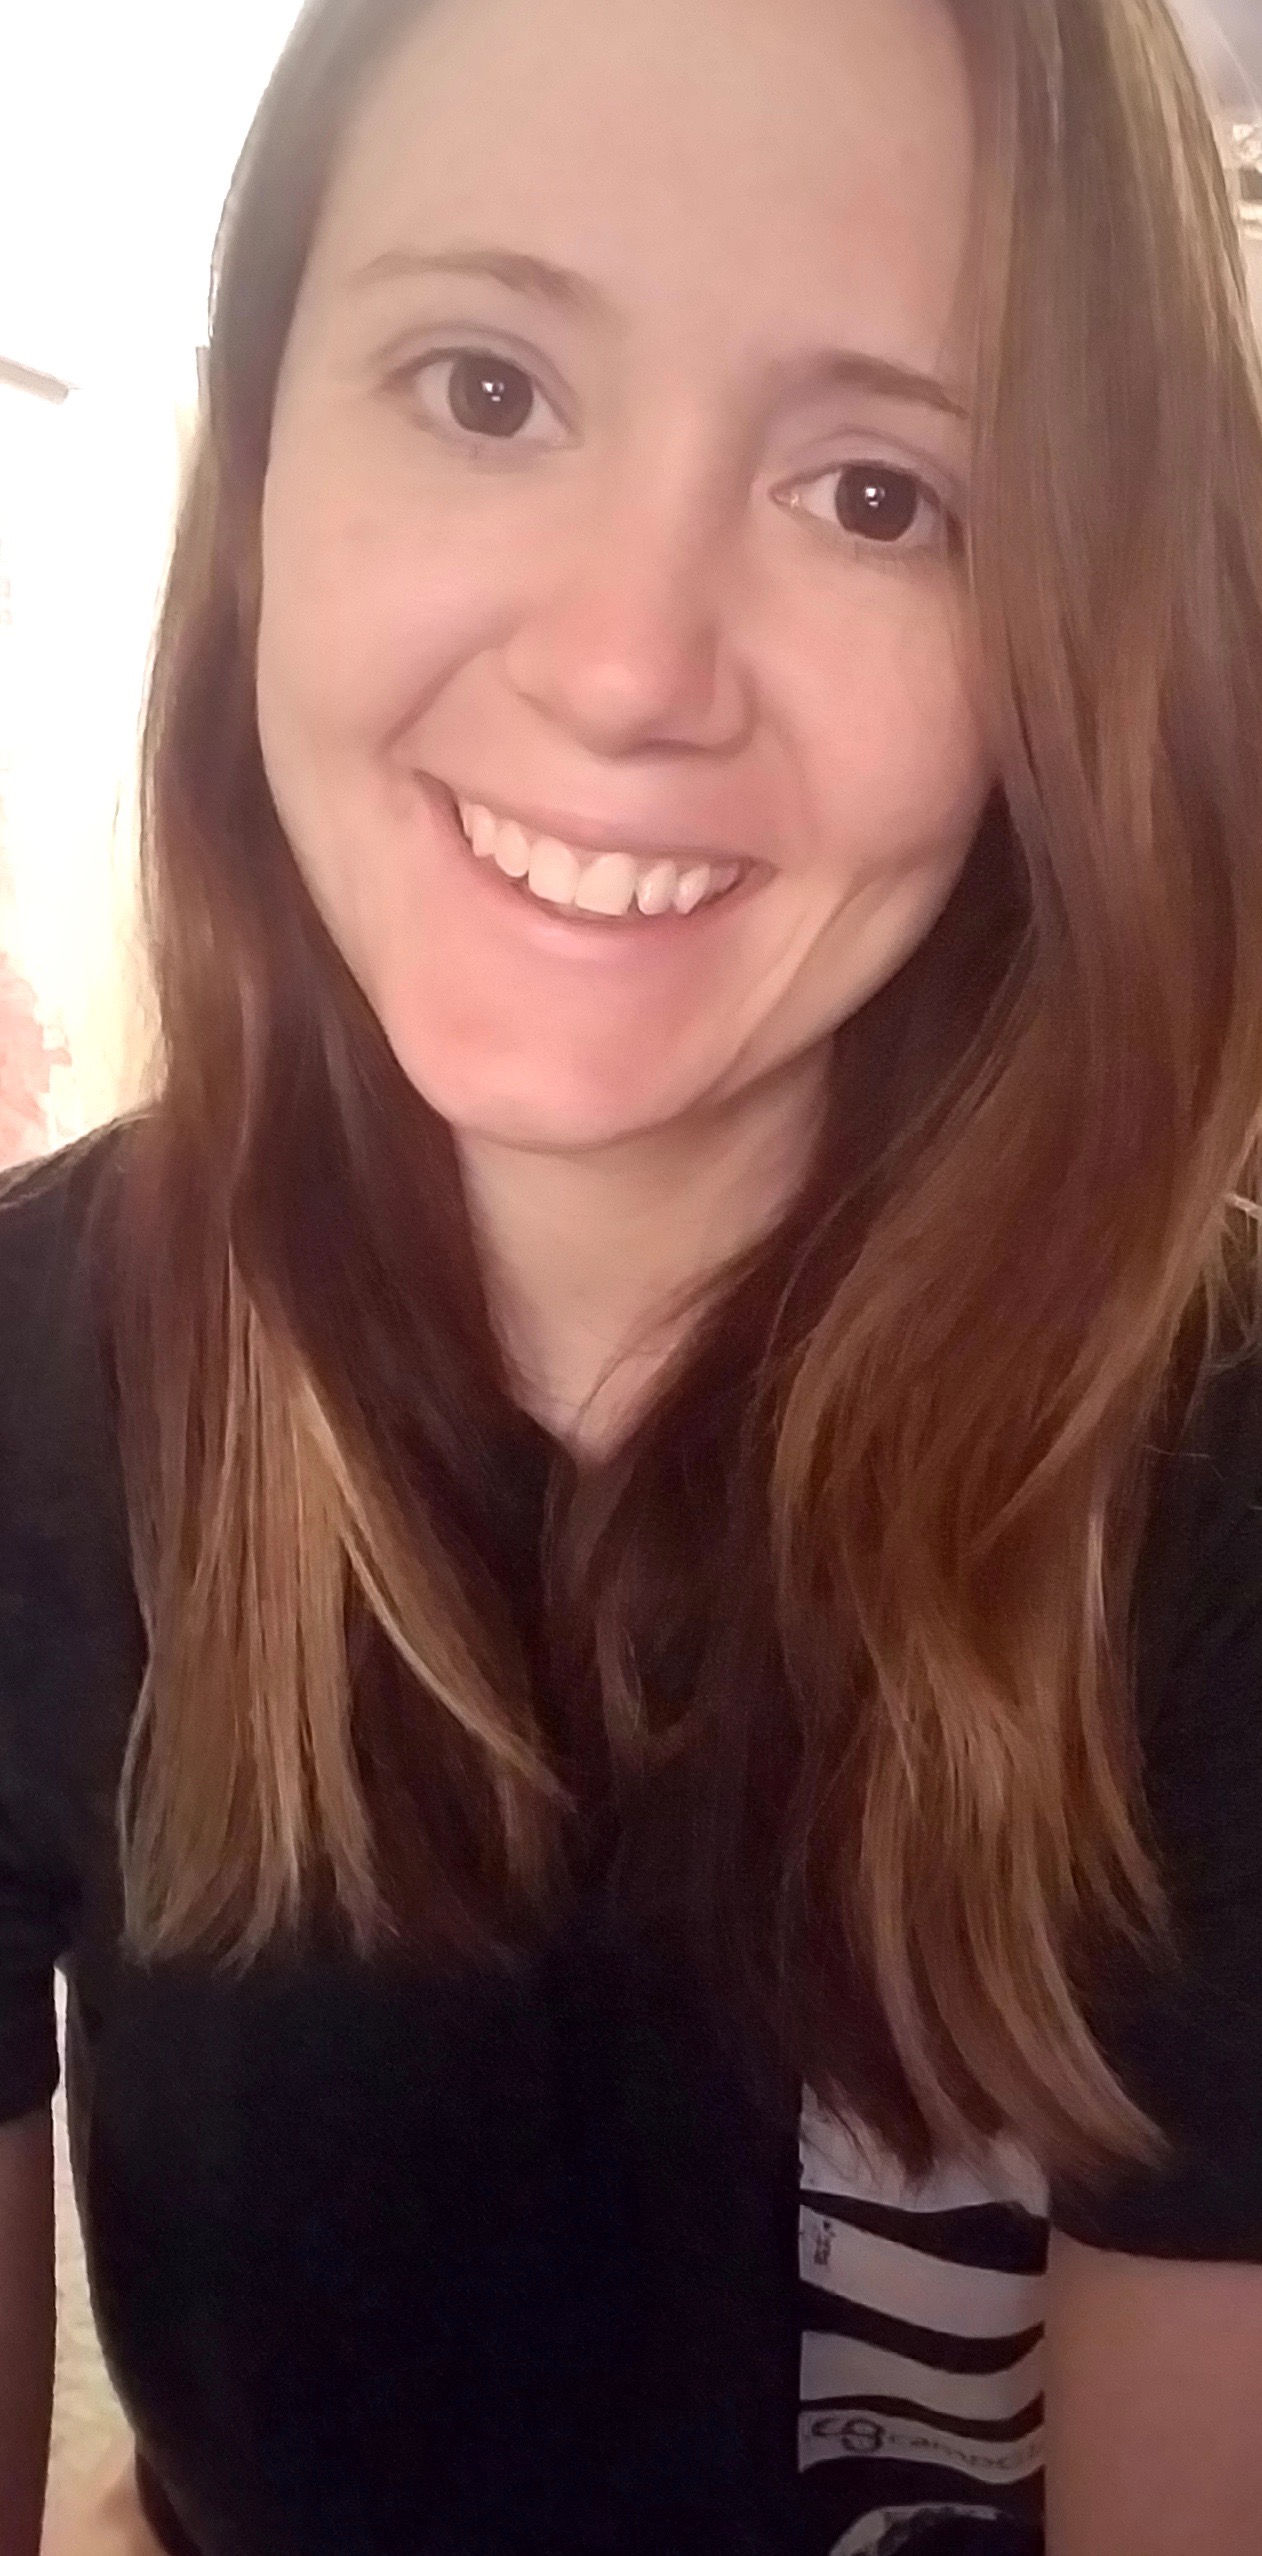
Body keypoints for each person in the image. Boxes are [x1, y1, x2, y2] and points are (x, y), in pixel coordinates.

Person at [3, 0, 1262, 2548]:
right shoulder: (36, 1384)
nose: (623, 669)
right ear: (263, 466)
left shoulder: (1216, 1505)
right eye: (484, 387)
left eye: (879, 492)